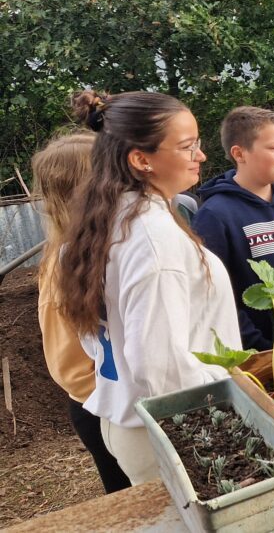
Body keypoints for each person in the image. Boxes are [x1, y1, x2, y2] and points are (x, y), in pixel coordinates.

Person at [58, 90, 242, 485]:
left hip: (130, 422)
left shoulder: (107, 219)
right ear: (142, 160)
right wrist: (222, 411)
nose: (201, 156)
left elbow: (98, 337)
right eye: (187, 146)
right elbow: (157, 366)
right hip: (173, 432)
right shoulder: (152, 238)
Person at [32, 132, 131, 494]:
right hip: (103, 409)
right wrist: (116, 400)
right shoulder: (62, 267)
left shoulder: (114, 246)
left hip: (124, 403)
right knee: (131, 504)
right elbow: (68, 368)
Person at [193, 106, 274, 351]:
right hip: (262, 355)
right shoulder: (214, 216)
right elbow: (215, 297)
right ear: (239, 153)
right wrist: (263, 349)